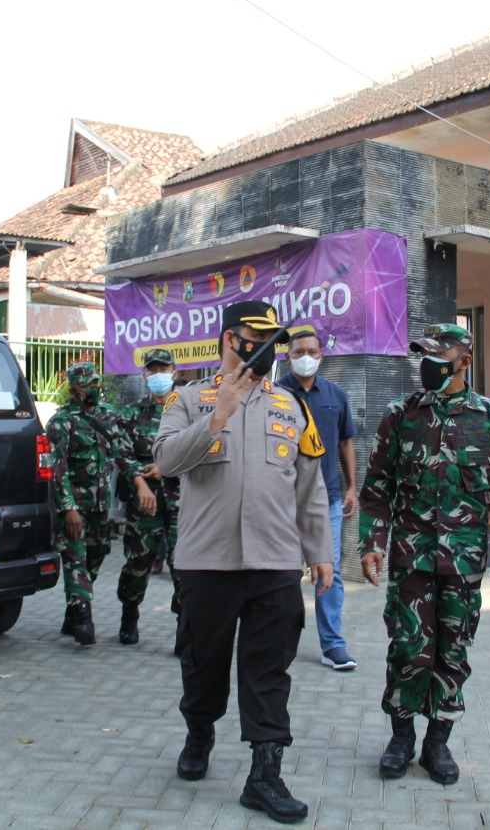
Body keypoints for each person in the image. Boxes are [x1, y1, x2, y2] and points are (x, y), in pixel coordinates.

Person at [153, 299, 333, 824]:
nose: (272, 348)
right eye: (260, 337)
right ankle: (199, 732)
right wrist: (219, 415)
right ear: (233, 339)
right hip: (208, 562)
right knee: (203, 661)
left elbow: (309, 487)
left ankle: (265, 774)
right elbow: (165, 462)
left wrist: (320, 551)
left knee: (269, 670)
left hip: (275, 562)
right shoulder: (188, 399)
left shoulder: (289, 406)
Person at [359, 322, 490, 785]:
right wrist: (371, 542)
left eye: (437, 355)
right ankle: (401, 738)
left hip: (463, 560)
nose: (427, 364)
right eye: (423, 355)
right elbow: (377, 488)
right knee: (409, 649)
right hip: (411, 558)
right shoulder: (400, 415)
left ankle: (437, 743)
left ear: (464, 362)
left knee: (452, 651)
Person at [276, 330, 358, 671]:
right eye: (299, 352)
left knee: (330, 571)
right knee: (282, 574)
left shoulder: (336, 395)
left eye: (311, 351)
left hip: (328, 498)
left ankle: (333, 645)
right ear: (288, 356)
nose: (305, 356)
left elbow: (346, 443)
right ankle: (279, 642)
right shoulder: (275, 394)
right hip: (281, 499)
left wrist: (352, 486)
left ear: (321, 356)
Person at [47, 361, 142, 645]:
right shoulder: (61, 422)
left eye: (96, 382)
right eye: (87, 384)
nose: (94, 388)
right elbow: (57, 470)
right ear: (74, 387)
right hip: (75, 506)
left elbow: (121, 451)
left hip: (101, 505)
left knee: (95, 557)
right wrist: (68, 509)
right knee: (75, 558)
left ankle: (73, 608)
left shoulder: (108, 415)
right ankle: (84, 619)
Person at [114, 348, 182, 645]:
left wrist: (166, 468)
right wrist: (140, 484)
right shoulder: (130, 415)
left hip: (182, 500)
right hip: (145, 502)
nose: (158, 376)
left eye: (163, 370)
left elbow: (200, 450)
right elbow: (122, 454)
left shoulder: (187, 412)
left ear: (174, 373)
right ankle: (130, 613)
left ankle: (186, 626)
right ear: (146, 375)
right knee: (138, 563)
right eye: (153, 371)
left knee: (185, 565)